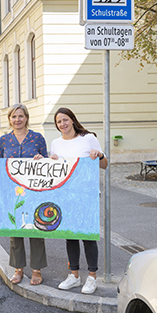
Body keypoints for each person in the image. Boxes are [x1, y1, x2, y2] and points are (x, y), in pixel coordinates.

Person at [0, 103, 48, 286]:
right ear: (9, 119)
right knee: (15, 229)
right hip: (13, 191)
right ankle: (18, 268)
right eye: (14, 117)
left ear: (26, 118)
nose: (17, 120)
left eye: (20, 116)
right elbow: (2, 165)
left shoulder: (37, 138)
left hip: (34, 190)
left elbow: (47, 164)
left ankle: (37, 269)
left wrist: (41, 160)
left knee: (36, 227)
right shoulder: (4, 140)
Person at [50, 107, 108, 294]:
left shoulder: (88, 138)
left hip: (86, 195)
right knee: (70, 236)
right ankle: (74, 275)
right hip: (65, 195)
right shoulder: (56, 143)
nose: (63, 124)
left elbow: (105, 164)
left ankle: (92, 277)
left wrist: (99, 155)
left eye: (65, 120)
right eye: (59, 122)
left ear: (72, 120)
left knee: (88, 236)